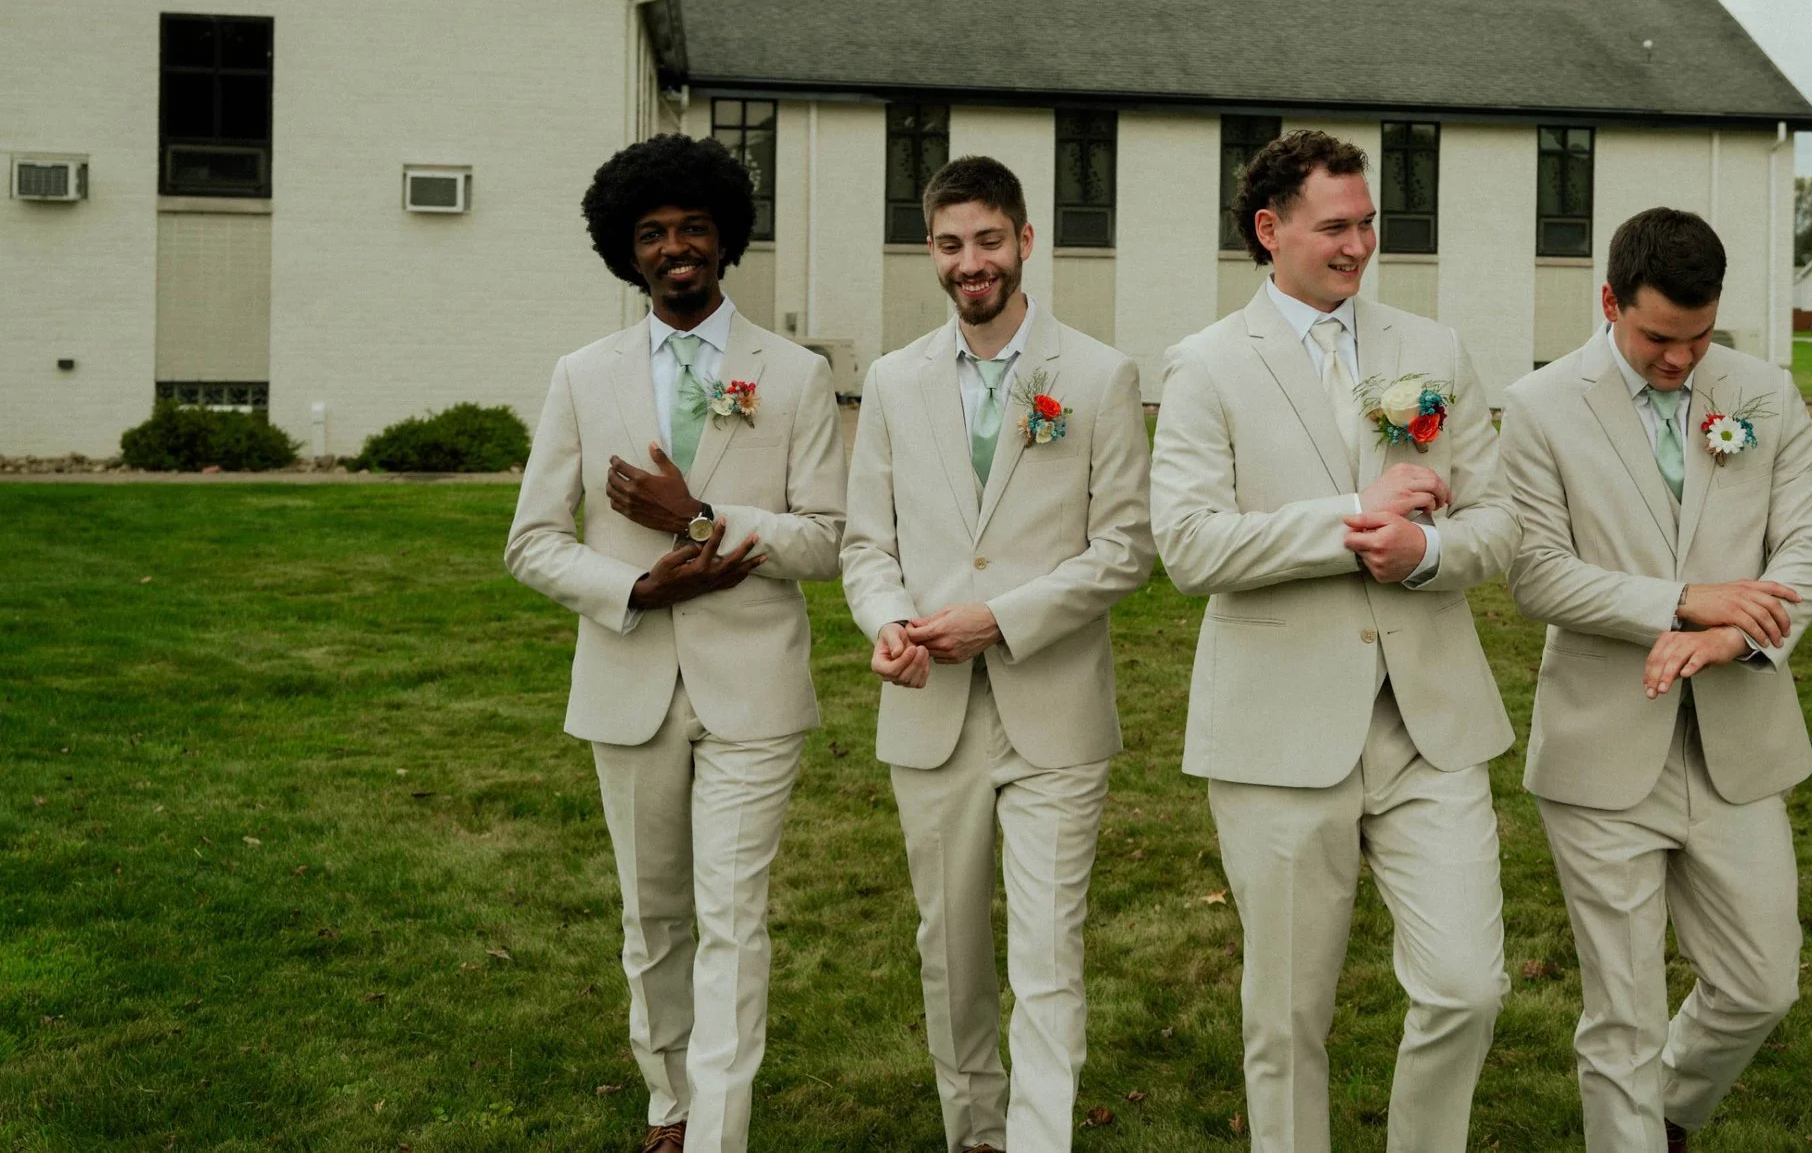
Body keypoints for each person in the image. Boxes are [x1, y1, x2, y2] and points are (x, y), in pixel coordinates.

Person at [1150, 129, 1518, 1153]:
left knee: (1466, 987)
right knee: (1286, 1017)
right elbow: (1186, 545)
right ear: (1270, 230)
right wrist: (1353, 517)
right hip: (1277, 734)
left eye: (1367, 225)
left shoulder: (1432, 353)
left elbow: (1498, 521)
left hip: (1427, 725)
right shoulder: (1207, 366)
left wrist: (1428, 553)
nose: (1358, 247)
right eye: (1334, 226)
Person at [506, 133, 845, 1153]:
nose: (675, 247)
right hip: (627, 683)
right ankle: (671, 1101)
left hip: (754, 689)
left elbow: (827, 540)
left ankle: (718, 1134)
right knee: (654, 915)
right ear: (627, 250)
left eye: (693, 226)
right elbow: (531, 542)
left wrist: (701, 518)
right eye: (651, 232)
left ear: (725, 237)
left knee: (733, 913)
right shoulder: (582, 374)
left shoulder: (794, 374)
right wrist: (636, 586)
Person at [1500, 207, 1812, 1151]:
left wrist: (1736, 638)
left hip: (1741, 738)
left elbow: (1810, 545)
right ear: (1608, 301)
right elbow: (1538, 575)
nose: (1681, 359)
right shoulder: (1539, 407)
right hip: (1600, 744)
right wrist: (1688, 603)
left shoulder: (1765, 393)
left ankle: (1667, 1117)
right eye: (1657, 337)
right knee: (1623, 1012)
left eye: (1699, 336)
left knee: (1762, 985)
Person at [841, 155, 1153, 1153]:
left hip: (1053, 709)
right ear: (929, 254)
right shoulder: (892, 380)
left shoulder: (1101, 376)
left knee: (1048, 948)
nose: (969, 262)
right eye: (948, 244)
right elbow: (865, 541)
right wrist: (887, 621)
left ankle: (1036, 1138)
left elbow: (1124, 550)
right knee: (950, 945)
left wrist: (1001, 618)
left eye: (986, 240)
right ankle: (972, 1128)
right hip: (929, 710)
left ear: (1025, 242)